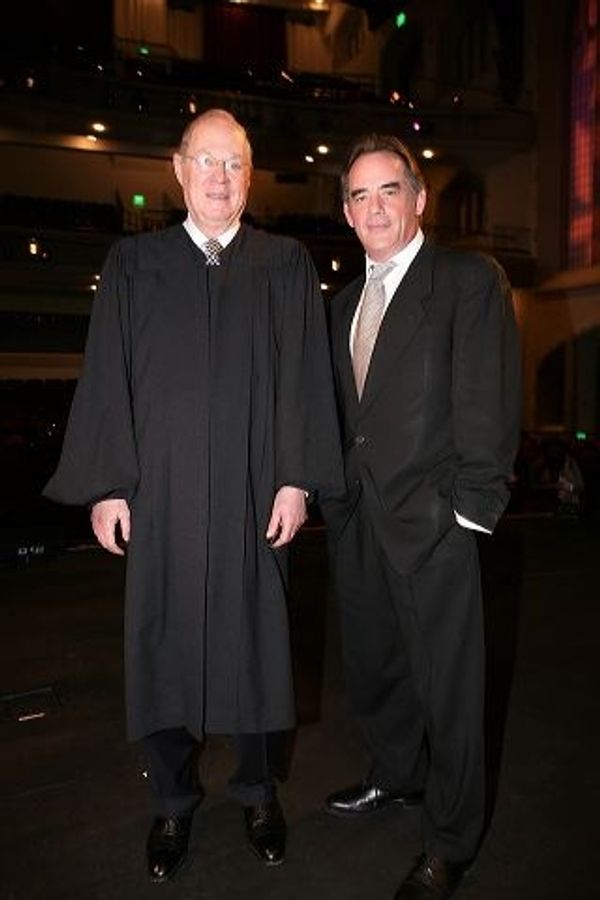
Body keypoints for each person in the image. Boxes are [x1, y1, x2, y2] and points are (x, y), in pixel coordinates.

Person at [44, 109, 343, 882]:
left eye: (234, 163)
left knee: (257, 651)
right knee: (163, 647)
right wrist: (110, 486)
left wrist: (296, 479)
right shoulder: (133, 264)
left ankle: (258, 792)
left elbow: (307, 379)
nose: (220, 176)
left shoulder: (284, 264)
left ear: (251, 177)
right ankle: (173, 800)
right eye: (206, 161)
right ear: (178, 171)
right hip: (164, 500)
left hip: (253, 498)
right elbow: (107, 377)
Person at [321, 134, 521, 900]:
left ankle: (451, 840)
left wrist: (469, 511)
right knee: (376, 670)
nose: (375, 208)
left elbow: (487, 399)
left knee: (450, 693)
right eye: (360, 195)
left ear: (419, 197)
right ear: (346, 211)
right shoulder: (343, 303)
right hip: (361, 522)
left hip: (435, 524)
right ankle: (396, 774)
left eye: (389, 190)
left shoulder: (466, 281)